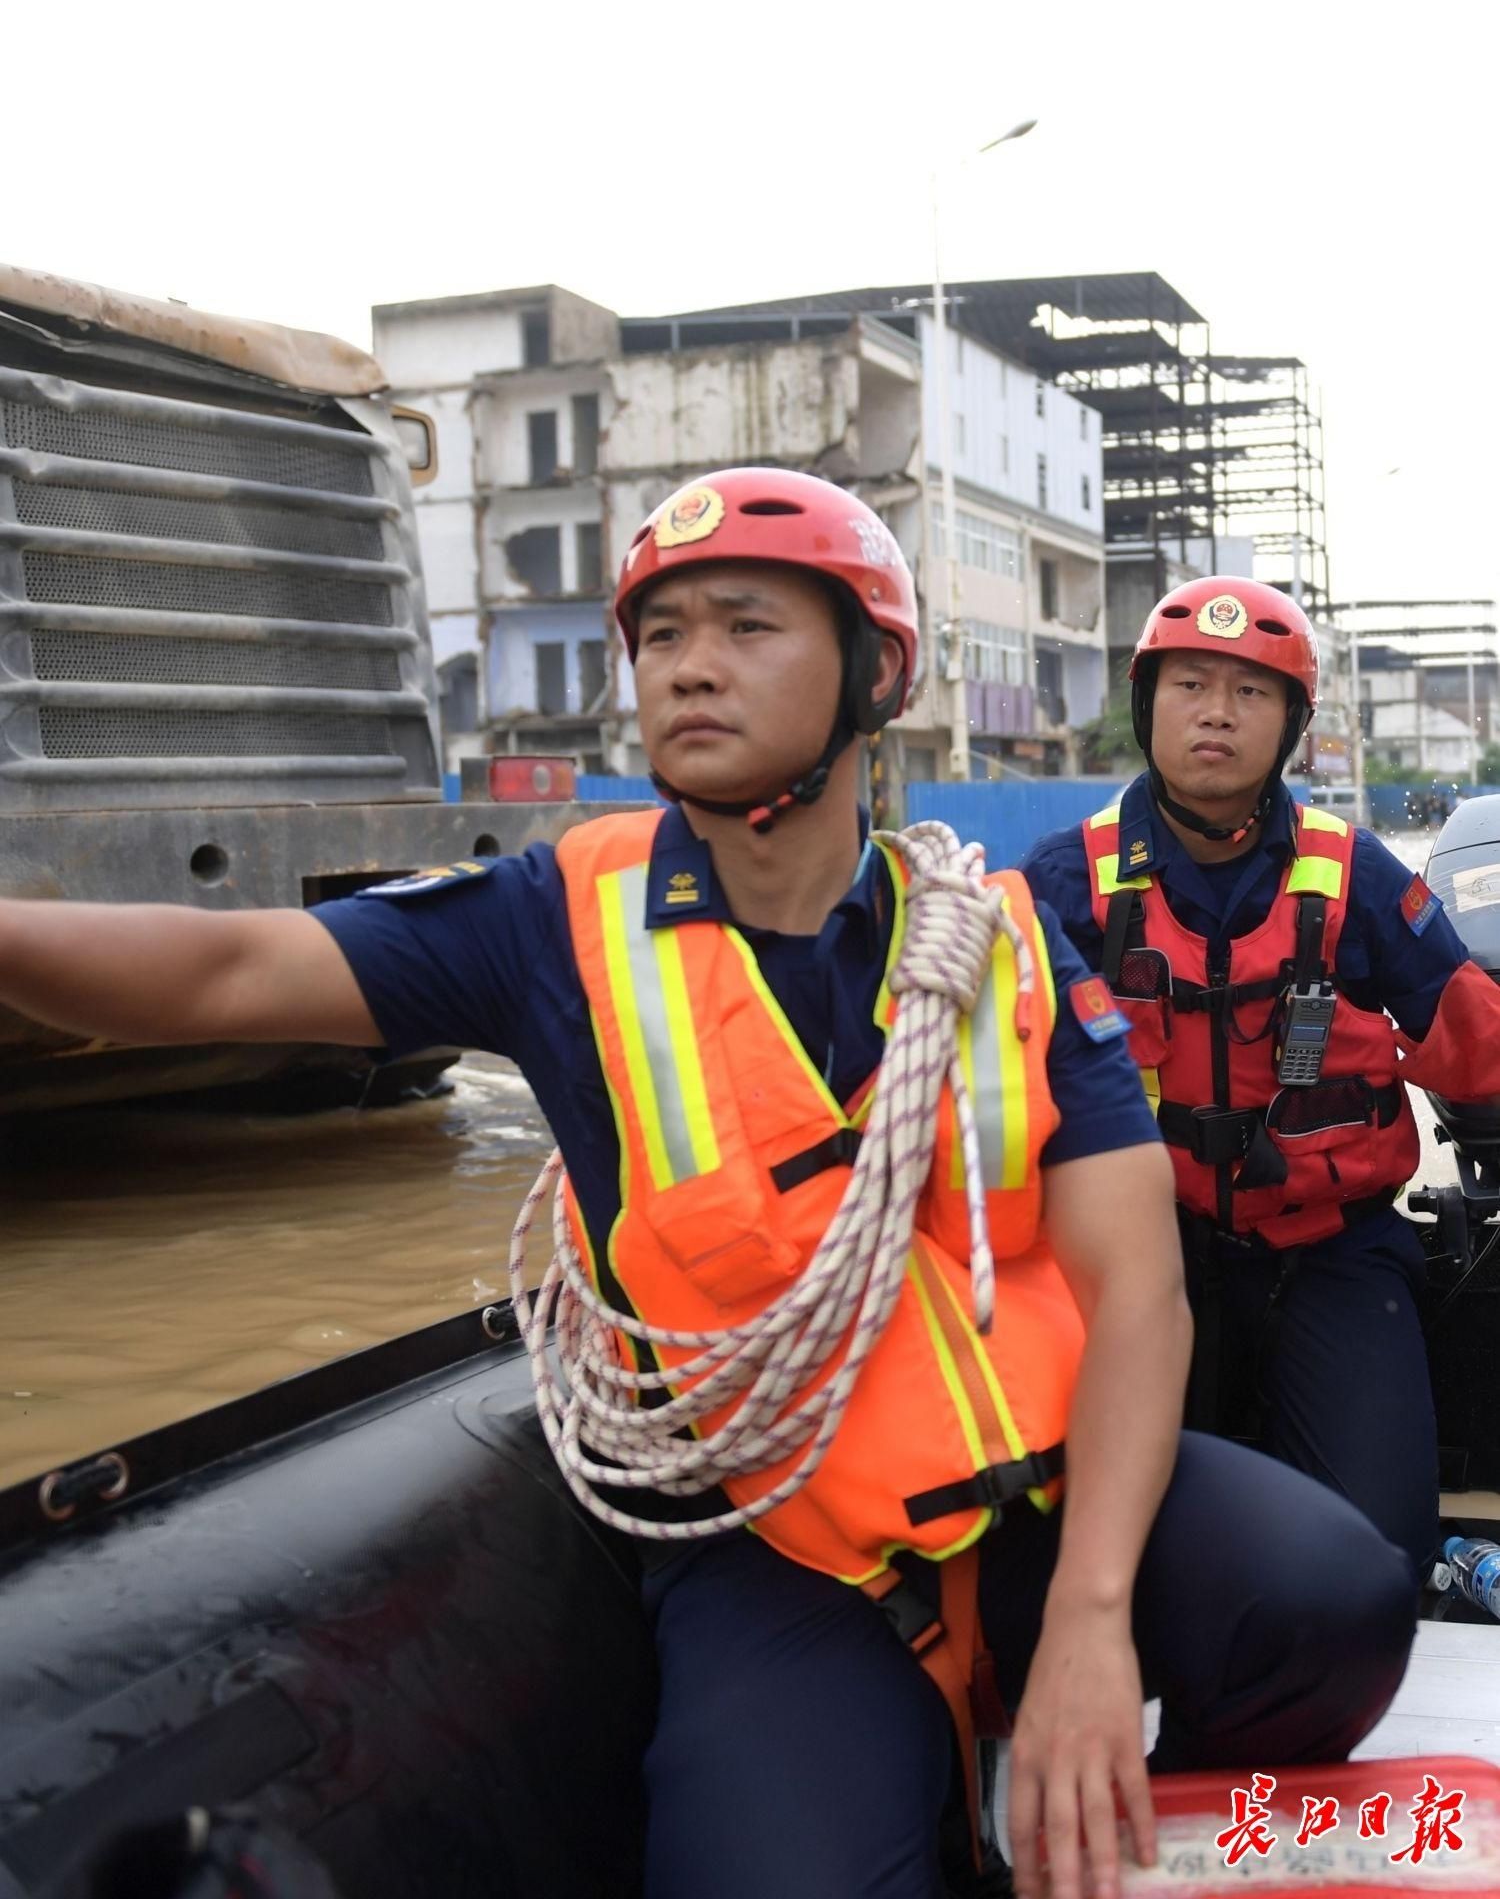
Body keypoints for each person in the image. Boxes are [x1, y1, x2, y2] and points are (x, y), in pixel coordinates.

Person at [0, 488, 1416, 1899]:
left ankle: (1101, 1819)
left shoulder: (995, 936)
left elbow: (1138, 1291)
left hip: (1041, 1498)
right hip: (779, 1549)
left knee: (1335, 1600)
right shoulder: (549, 925)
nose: (689, 661)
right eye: (662, 631)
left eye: (748, 625)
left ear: (877, 672)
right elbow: (221, 973)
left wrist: (1096, 1626)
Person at [1022, 576, 1500, 1578]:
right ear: (1147, 702)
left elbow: (1473, 1031)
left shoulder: (1356, 872)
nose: (1217, 713)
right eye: (1191, 683)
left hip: (1329, 1255)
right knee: (1085, 1537)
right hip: (1139, 1261)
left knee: (1383, 1557)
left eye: (1252, 692)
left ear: (1290, 724)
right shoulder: (1064, 881)